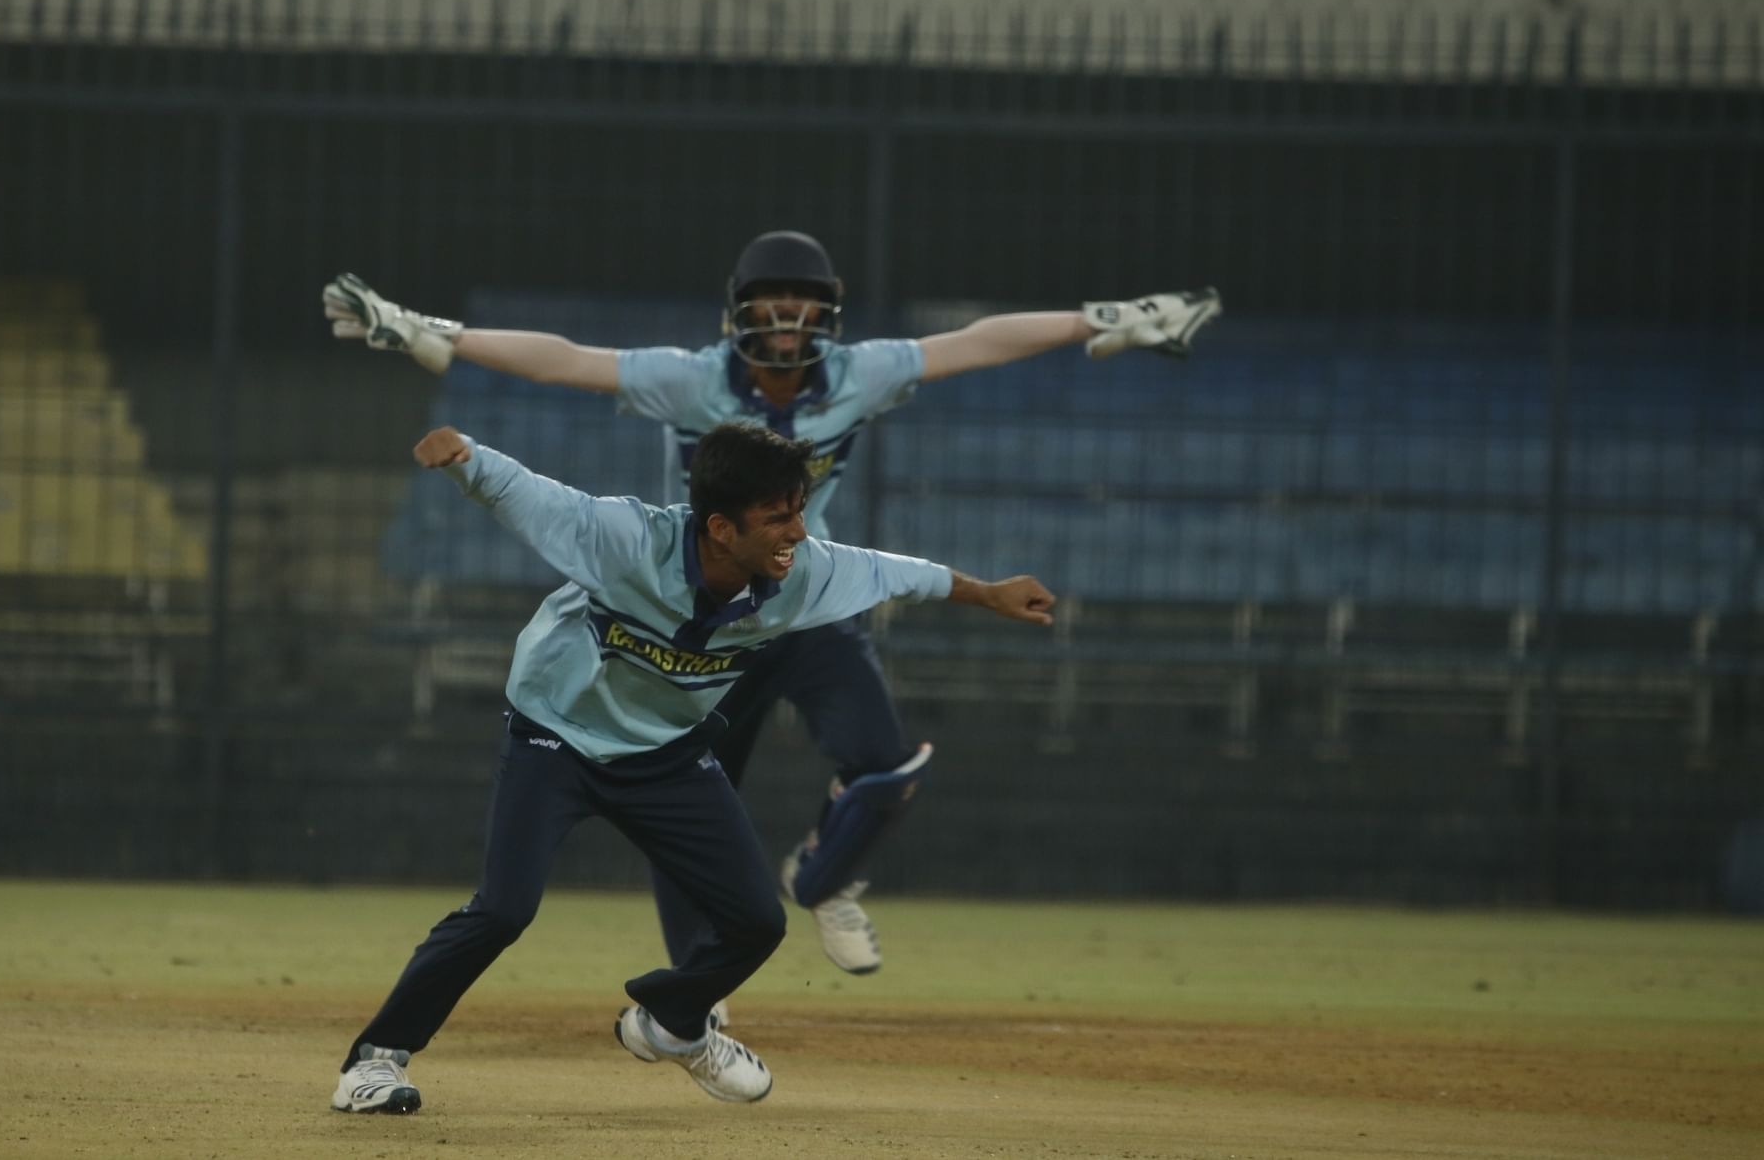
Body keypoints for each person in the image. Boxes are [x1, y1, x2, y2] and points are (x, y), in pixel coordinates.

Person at [322, 234, 1217, 981]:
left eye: (803, 300)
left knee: (887, 763)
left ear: (826, 310)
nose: (787, 318)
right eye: (770, 299)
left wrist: (1103, 320)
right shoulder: (692, 379)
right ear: (739, 310)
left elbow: (977, 342)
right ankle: (696, 992)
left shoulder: (859, 375)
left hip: (806, 600)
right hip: (712, 611)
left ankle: (825, 879)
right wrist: (433, 333)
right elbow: (568, 361)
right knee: (696, 798)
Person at [331, 420, 1055, 1113]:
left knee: (757, 922)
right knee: (504, 909)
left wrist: (988, 592)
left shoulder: (804, 573)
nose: (797, 533)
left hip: (665, 755)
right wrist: (467, 459)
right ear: (718, 527)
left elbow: (897, 574)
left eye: (798, 511)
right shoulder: (626, 539)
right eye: (777, 517)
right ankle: (374, 1058)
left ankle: (672, 1022)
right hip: (555, 737)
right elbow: (532, 497)